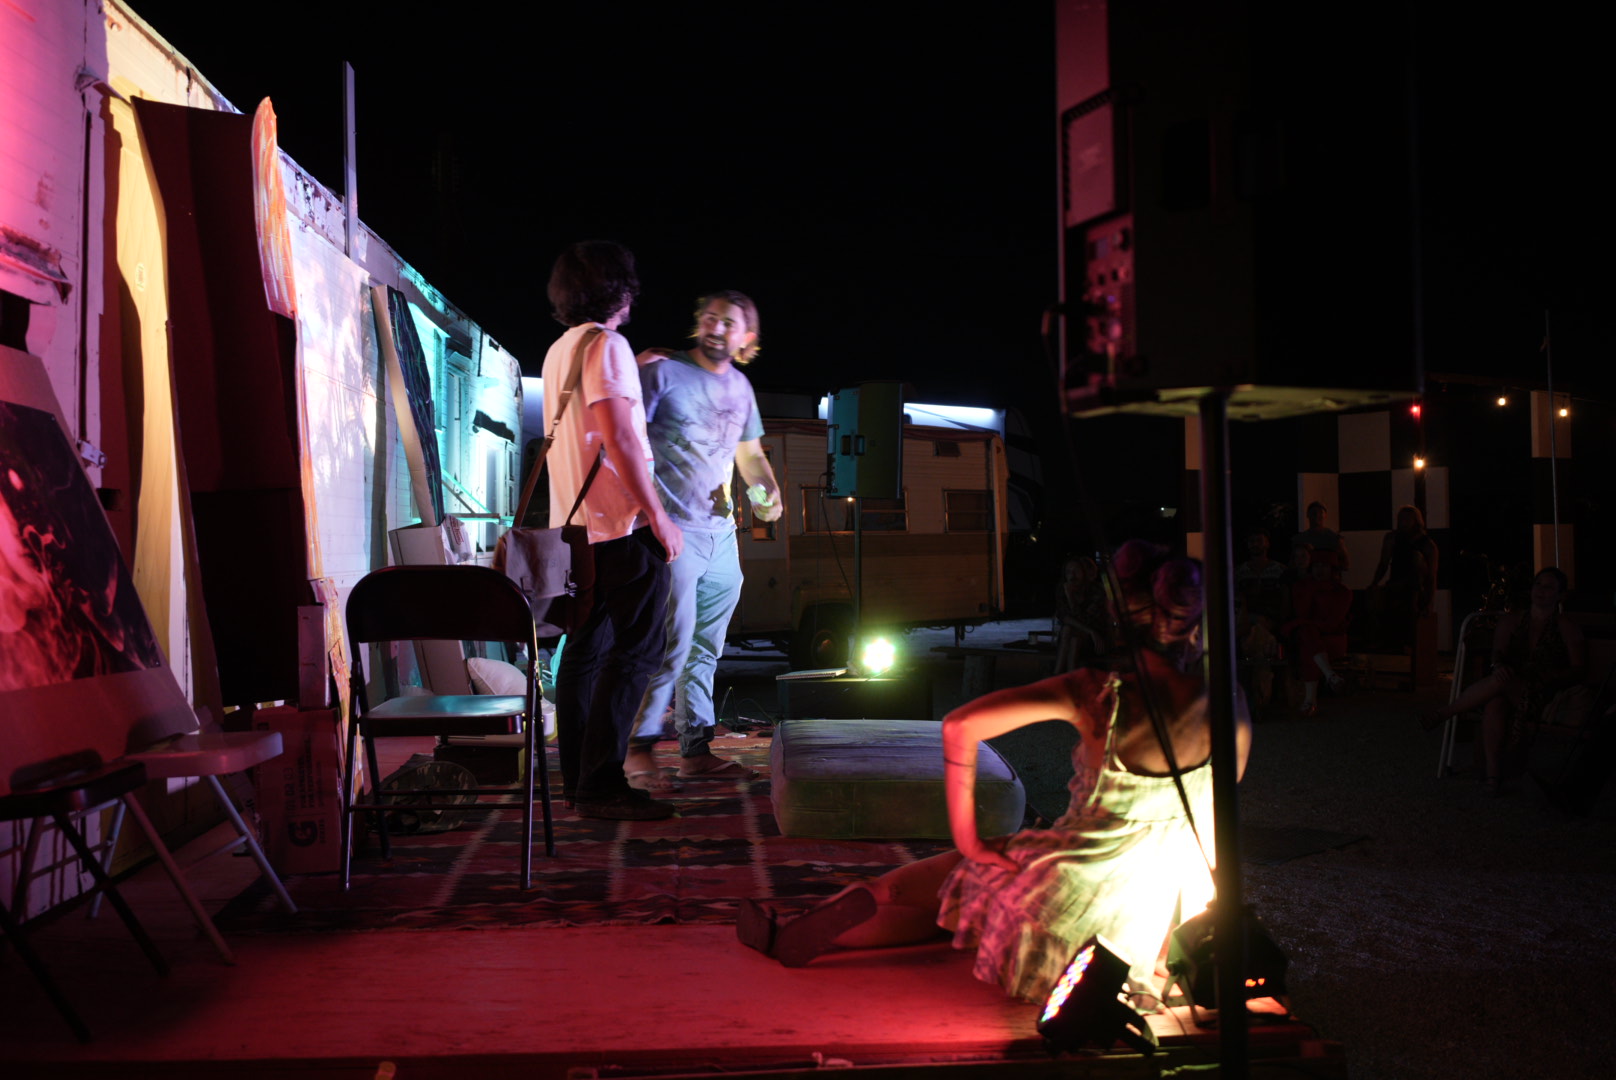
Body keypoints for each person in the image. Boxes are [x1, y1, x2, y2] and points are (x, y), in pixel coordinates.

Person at [737, 546, 1252, 1005]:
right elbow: (1209, 815)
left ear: (1119, 614)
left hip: (1071, 884)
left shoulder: (1100, 691)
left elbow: (961, 724)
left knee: (923, 885)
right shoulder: (1228, 699)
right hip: (1151, 902)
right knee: (962, 898)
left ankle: (802, 929)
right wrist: (1194, 918)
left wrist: (973, 842)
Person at [541, 240, 684, 821]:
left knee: (583, 654)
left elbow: (588, 424)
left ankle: (578, 782)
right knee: (638, 651)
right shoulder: (609, 345)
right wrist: (658, 514)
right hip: (618, 528)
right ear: (621, 291)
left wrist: (633, 367)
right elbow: (621, 438)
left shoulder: (562, 350)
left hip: (575, 536)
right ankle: (602, 784)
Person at [623, 291, 782, 790]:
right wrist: (647, 515)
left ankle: (695, 749)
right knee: (672, 643)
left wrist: (769, 495)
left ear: (746, 339)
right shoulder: (663, 374)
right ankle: (636, 750)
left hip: (722, 534)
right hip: (672, 529)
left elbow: (750, 457)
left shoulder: (741, 389)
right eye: (709, 318)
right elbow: (624, 439)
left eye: (727, 322)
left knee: (706, 649)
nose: (715, 327)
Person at [1422, 567, 1585, 795]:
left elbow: (1578, 669)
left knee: (1501, 683)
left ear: (1560, 595)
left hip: (1541, 695)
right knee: (1495, 703)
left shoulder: (1565, 627)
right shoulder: (1513, 621)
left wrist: (1549, 676)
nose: (1541, 591)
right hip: (1510, 686)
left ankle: (1446, 713)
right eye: (1538, 584)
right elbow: (1497, 653)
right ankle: (1493, 777)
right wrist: (1498, 666)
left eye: (1549, 587)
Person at [1283, 550, 1353, 717]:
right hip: (1311, 637)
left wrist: (1307, 624)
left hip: (1332, 638)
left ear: (1332, 569)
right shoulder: (1302, 587)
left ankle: (1310, 701)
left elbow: (1332, 622)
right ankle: (1330, 676)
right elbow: (1302, 612)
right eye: (1316, 566)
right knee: (1308, 638)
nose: (1320, 570)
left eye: (1324, 566)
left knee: (1308, 640)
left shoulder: (1342, 592)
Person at [1369, 504, 1439, 650]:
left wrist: (1428, 601)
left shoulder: (1427, 544)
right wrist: (1374, 584)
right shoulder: (1392, 538)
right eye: (1401, 518)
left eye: (1407, 519)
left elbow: (1431, 576)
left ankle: (1409, 645)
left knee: (1410, 611)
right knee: (1379, 607)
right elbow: (1383, 563)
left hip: (1415, 588)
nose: (1403, 522)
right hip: (1395, 584)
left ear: (1416, 521)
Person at [1053, 554, 1106, 672]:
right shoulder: (1063, 589)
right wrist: (1089, 631)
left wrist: (1071, 599)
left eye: (1076, 571)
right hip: (1081, 635)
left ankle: (1058, 675)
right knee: (1071, 634)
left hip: (1096, 640)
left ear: (1083, 572)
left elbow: (1086, 619)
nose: (1072, 575)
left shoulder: (1096, 591)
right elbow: (1064, 617)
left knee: (1070, 632)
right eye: (1068, 572)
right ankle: (1067, 677)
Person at [1292, 501, 1350, 571]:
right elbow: (1293, 564)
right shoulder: (1299, 539)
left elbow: (1345, 565)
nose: (1317, 515)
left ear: (1325, 515)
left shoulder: (1334, 538)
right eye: (1313, 512)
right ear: (1308, 515)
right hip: (1306, 579)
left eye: (1320, 512)